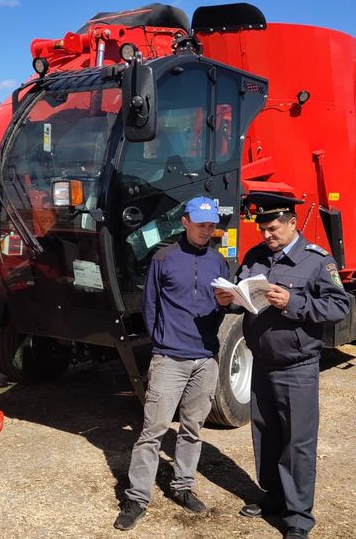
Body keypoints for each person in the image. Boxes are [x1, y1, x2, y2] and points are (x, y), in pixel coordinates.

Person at [215, 196, 350, 539]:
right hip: (262, 362)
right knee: (266, 434)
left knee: (298, 442)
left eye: (273, 228)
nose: (267, 235)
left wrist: (294, 303)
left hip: (297, 367)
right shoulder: (255, 257)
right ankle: (274, 496)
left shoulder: (317, 261)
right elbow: (244, 299)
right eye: (262, 229)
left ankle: (298, 517)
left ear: (292, 223)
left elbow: (339, 307)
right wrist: (230, 301)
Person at [114, 196, 229, 531]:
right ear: (185, 222)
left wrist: (228, 304)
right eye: (201, 224)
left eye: (211, 225)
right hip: (169, 359)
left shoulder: (219, 262)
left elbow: (224, 307)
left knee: (193, 429)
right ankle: (137, 498)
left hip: (205, 359)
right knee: (153, 431)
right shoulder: (164, 258)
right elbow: (149, 306)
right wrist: (162, 343)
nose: (207, 231)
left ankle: (182, 486)